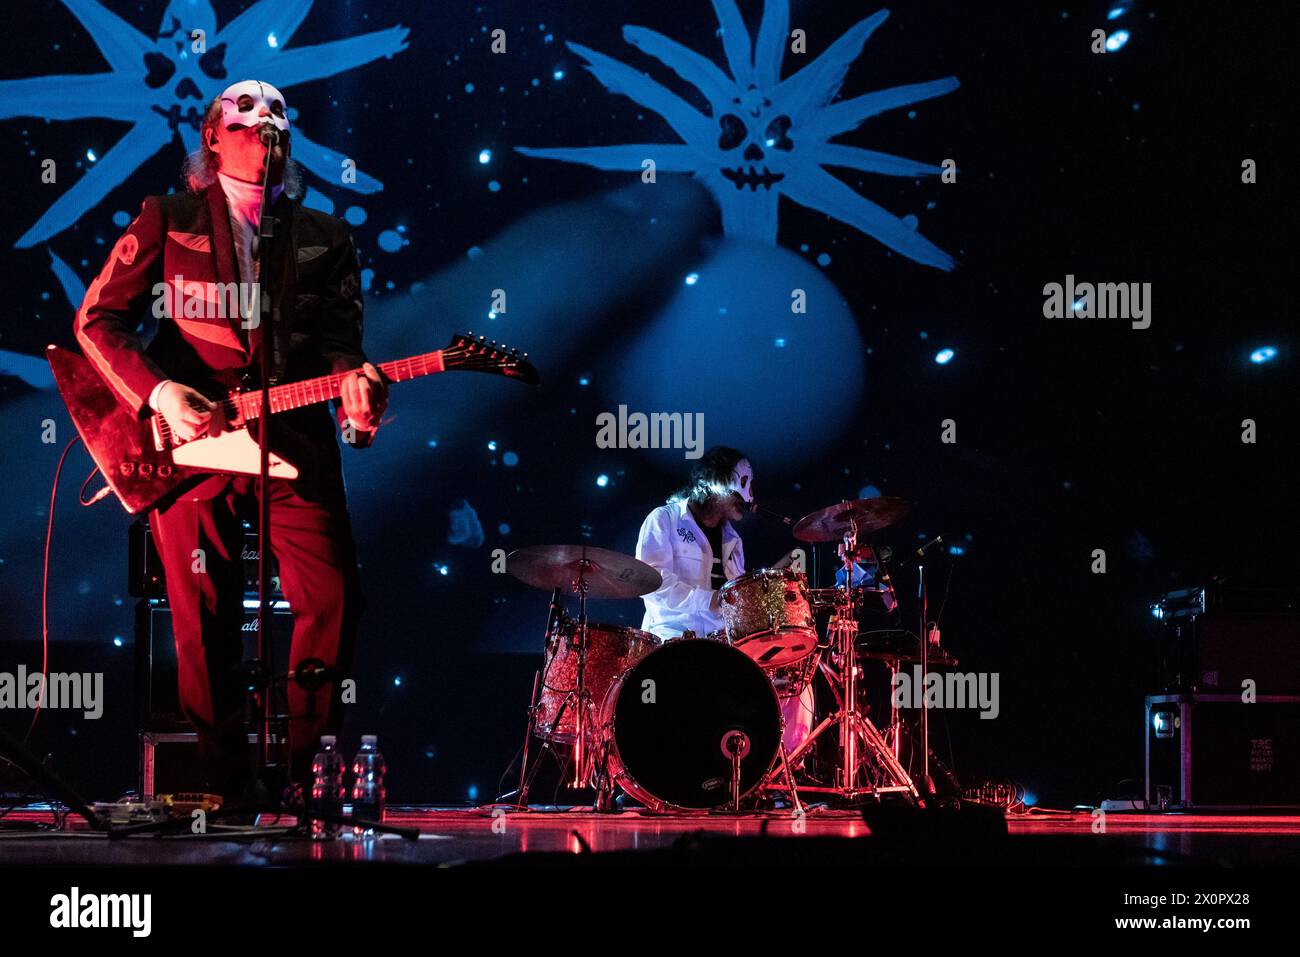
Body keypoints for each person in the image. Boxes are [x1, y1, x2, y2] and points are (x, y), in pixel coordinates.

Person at [74, 80, 387, 801]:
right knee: (202, 610)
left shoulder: (327, 236)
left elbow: (343, 347)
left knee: (334, 596)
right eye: (246, 113)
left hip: (295, 437)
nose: (266, 124)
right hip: (190, 445)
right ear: (212, 134)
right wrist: (158, 392)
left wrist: (358, 397)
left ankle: (304, 778)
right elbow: (97, 321)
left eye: (278, 115)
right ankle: (230, 785)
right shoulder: (168, 216)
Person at [635, 447, 814, 758]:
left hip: (724, 646)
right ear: (716, 483)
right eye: (744, 482)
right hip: (672, 642)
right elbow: (653, 583)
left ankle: (767, 770)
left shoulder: (734, 540)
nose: (750, 494)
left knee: (793, 678)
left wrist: (770, 596)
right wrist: (711, 601)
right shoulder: (663, 520)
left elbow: (736, 601)